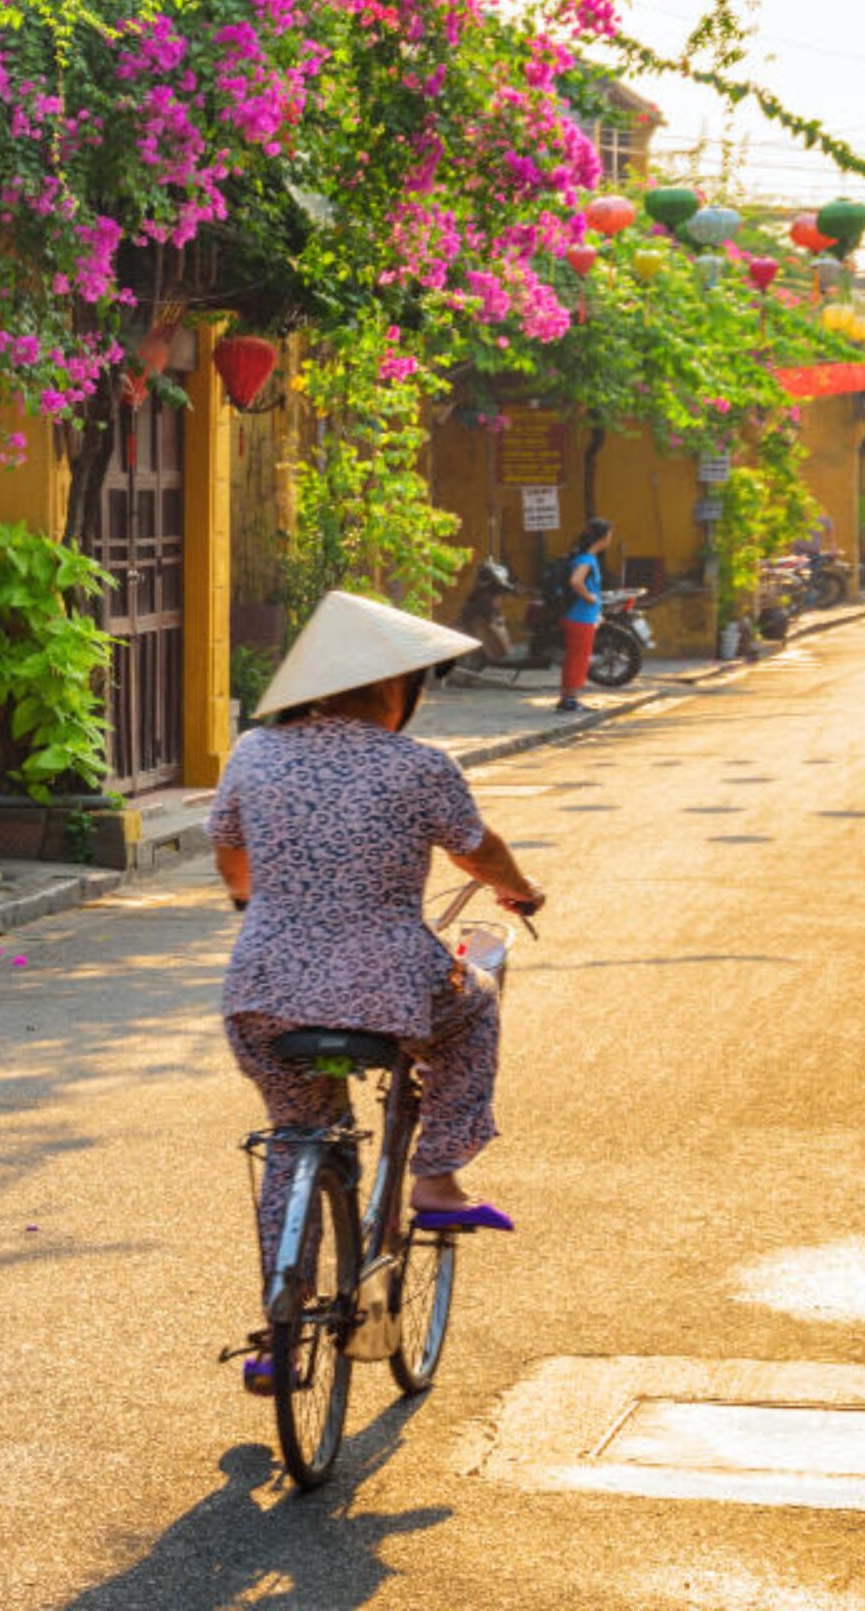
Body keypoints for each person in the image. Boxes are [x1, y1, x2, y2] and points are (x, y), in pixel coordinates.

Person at [210, 592, 547, 1395]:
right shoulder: (420, 766)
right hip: (391, 988)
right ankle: (435, 1177)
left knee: (296, 1138)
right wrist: (521, 891)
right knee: (474, 1011)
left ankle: (280, 1334)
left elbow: (230, 856)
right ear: (398, 689)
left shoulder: (253, 754)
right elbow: (480, 852)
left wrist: (259, 907)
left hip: (262, 991)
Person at [553, 518, 612, 714]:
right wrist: (590, 598)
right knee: (579, 658)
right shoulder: (587, 559)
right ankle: (570, 699)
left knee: (574, 657)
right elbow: (576, 582)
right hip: (581, 617)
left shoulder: (580, 556)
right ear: (602, 538)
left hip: (576, 615)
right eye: (609, 535)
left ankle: (568, 697)